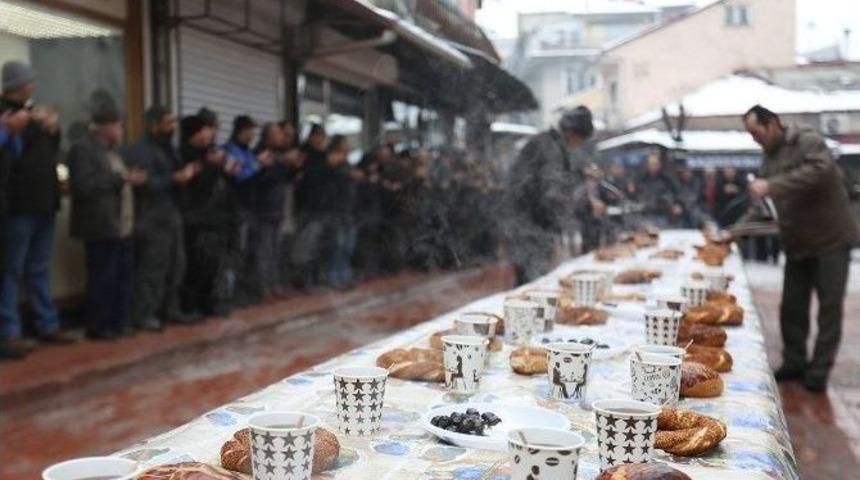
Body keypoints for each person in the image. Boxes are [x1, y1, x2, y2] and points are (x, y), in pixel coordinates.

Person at [734, 104, 860, 392]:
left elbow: (820, 170)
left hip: (831, 240)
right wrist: (736, 233)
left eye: (756, 133)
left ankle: (819, 371)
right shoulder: (768, 158)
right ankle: (794, 361)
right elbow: (762, 206)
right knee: (792, 306)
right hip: (797, 242)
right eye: (750, 135)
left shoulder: (807, 140)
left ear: (773, 123)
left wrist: (772, 185)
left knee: (828, 308)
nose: (755, 139)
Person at [0, 61, 78, 358]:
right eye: (28, 82)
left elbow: (46, 150)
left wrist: (52, 128)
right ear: (18, 85)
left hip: (44, 201)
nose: (32, 85)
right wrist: (16, 128)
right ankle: (9, 331)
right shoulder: (7, 114)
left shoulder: (31, 114)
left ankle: (47, 323)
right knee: (11, 269)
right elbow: (12, 154)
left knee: (38, 267)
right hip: (18, 204)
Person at [68, 105, 144, 339]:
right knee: (103, 278)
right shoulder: (83, 149)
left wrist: (130, 178)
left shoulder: (114, 153)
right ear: (107, 127)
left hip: (121, 225)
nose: (122, 130)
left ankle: (119, 322)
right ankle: (99, 326)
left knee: (122, 277)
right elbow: (84, 185)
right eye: (119, 125)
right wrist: (119, 179)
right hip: (100, 226)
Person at [124, 106, 199, 331]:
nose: (173, 127)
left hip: (172, 211)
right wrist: (174, 179)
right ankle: (145, 313)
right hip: (152, 214)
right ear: (154, 125)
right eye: (168, 123)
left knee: (177, 265)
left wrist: (186, 176)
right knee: (152, 267)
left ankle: (170, 309)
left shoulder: (170, 149)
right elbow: (144, 183)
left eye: (174, 122)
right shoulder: (140, 150)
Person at [503, 106, 595, 285]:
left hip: (530, 222)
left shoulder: (550, 144)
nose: (579, 145)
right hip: (528, 225)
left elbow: (556, 180)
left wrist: (580, 175)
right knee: (531, 281)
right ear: (572, 133)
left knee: (531, 278)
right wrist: (580, 212)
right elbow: (552, 193)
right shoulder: (549, 148)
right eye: (581, 140)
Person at [178, 113, 239, 317]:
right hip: (197, 220)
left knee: (214, 265)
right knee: (197, 264)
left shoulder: (213, 154)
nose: (210, 133)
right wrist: (211, 166)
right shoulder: (185, 155)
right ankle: (191, 305)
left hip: (218, 218)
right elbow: (197, 188)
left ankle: (210, 302)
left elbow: (227, 182)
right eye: (205, 129)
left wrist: (227, 169)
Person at [253, 122, 301, 300]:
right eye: (278, 134)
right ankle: (263, 286)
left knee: (276, 249)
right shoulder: (261, 153)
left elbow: (286, 178)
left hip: (277, 208)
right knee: (264, 250)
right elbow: (261, 179)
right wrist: (281, 164)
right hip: (263, 208)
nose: (282, 137)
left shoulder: (279, 155)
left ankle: (275, 283)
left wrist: (293, 167)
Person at [637, 154, 680, 227]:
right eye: (651, 164)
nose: (653, 166)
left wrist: (673, 204)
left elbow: (673, 195)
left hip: (662, 215)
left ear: (659, 165)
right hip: (645, 214)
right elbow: (637, 196)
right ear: (647, 165)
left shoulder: (666, 180)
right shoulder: (641, 180)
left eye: (655, 164)